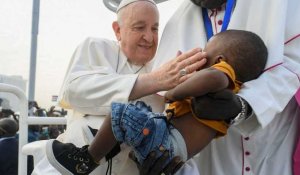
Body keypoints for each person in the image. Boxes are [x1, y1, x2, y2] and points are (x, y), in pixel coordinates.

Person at [45, 29, 268, 175]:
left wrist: (176, 90)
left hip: (166, 145)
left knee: (120, 113)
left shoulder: (220, 74)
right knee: (137, 113)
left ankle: (85, 160)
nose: (201, 56)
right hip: (169, 145)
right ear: (118, 29)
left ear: (220, 61)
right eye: (139, 27)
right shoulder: (224, 83)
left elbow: (205, 80)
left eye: (206, 52)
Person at [23, 0, 207, 175]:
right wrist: (155, 80)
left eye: (155, 28)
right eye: (139, 27)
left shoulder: (165, 67)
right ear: (118, 30)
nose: (149, 37)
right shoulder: (97, 47)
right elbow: (76, 91)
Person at [140, 0, 300, 174]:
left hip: (272, 153)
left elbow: (293, 65)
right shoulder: (175, 24)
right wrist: (162, 153)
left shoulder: (282, 4)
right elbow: (164, 103)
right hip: (213, 162)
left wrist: (243, 106)